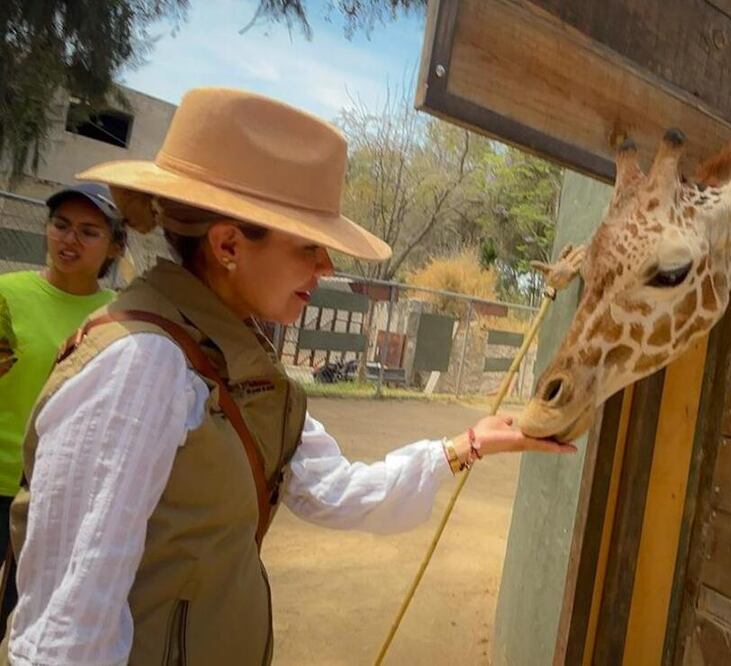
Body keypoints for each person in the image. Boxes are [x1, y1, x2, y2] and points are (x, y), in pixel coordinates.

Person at [4, 88, 574, 665]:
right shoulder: (140, 365)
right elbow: (63, 632)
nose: (326, 267)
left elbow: (335, 489)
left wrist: (470, 445)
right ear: (227, 244)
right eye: (309, 247)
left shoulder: (228, 357)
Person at [0, 182, 127, 639]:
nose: (69, 240)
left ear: (115, 245)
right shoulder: (6, 295)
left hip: (59, 495)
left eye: (89, 231)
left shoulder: (121, 317)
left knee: (27, 620)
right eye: (61, 225)